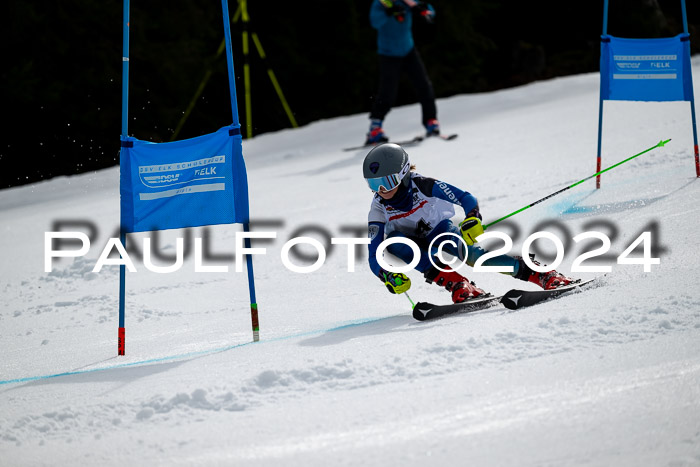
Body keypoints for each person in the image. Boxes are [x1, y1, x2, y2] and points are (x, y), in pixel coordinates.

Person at [363, 143, 575, 303]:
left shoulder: (423, 185)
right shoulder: (378, 207)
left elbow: (465, 197)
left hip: (439, 231)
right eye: (373, 185)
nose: (381, 191)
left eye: (386, 183)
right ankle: (459, 284)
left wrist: (472, 217)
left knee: (474, 256)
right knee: (393, 243)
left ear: (402, 174)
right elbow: (374, 254)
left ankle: (541, 274)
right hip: (411, 244)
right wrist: (387, 274)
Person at [365, 0, 440, 145]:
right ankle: (375, 128)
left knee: (423, 85)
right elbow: (375, 22)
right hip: (388, 54)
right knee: (387, 91)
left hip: (408, 50)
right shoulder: (380, 3)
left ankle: (431, 121)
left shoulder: (407, 1)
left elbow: (429, 11)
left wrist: (425, 10)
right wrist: (388, 12)